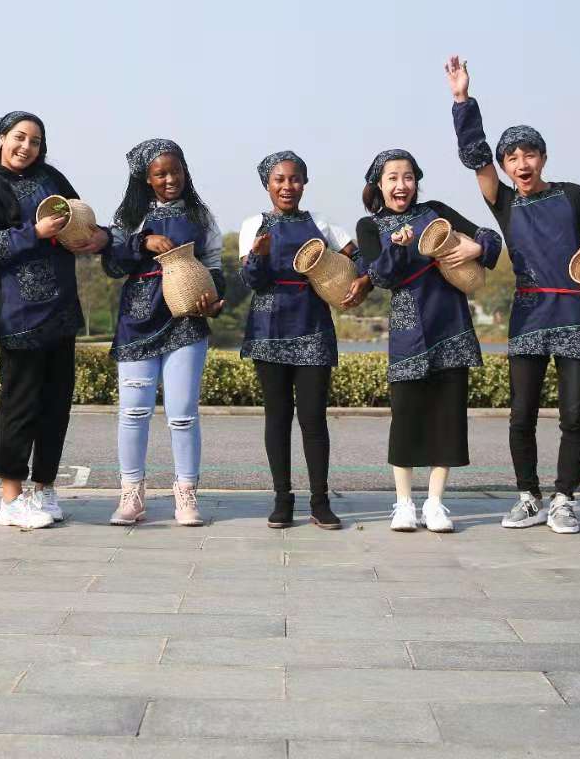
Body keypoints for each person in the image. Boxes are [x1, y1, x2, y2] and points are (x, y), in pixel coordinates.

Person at [446, 55, 580, 534]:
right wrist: (462, 101)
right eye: (512, 158)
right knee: (521, 414)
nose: (521, 164)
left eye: (528, 155)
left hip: (574, 310)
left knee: (573, 414)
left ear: (543, 158)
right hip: (528, 312)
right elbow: (476, 158)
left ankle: (564, 499)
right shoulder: (504, 201)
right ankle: (528, 497)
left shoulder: (572, 194)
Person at [0, 111, 109, 529]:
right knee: (20, 405)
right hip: (18, 314)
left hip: (60, 311)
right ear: (1, 139)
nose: (26, 147)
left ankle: (44, 488)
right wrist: (35, 232)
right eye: (19, 137)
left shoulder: (52, 178)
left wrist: (93, 235)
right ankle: (10, 499)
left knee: (56, 405)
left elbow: (79, 217)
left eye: (35, 141)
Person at [355, 149, 502, 533]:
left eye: (408, 177)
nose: (401, 185)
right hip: (408, 332)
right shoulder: (370, 226)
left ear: (416, 181)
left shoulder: (436, 211)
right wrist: (398, 247)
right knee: (405, 417)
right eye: (392, 178)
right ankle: (404, 503)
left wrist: (476, 248)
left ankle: (435, 503)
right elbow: (380, 276)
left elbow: (490, 237)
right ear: (379, 185)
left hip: (451, 324)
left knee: (448, 418)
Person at [238, 150, 363, 530]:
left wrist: (358, 281)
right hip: (269, 328)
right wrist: (258, 257)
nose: (287, 186)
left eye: (294, 179)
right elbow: (252, 281)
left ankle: (320, 501)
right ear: (267, 184)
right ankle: (282, 499)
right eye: (279, 179)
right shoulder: (253, 225)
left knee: (313, 418)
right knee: (277, 417)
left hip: (313, 325)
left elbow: (358, 255)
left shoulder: (320, 222)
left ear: (305, 183)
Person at [102, 138, 224, 527]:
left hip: (186, 322)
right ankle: (131, 495)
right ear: (146, 178)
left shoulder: (201, 217)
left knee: (183, 414)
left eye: (176, 171)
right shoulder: (129, 217)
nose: (170, 179)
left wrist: (215, 299)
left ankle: (186, 495)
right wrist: (143, 241)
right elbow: (112, 265)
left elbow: (215, 265)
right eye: (160, 174)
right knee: (133, 412)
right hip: (137, 323)